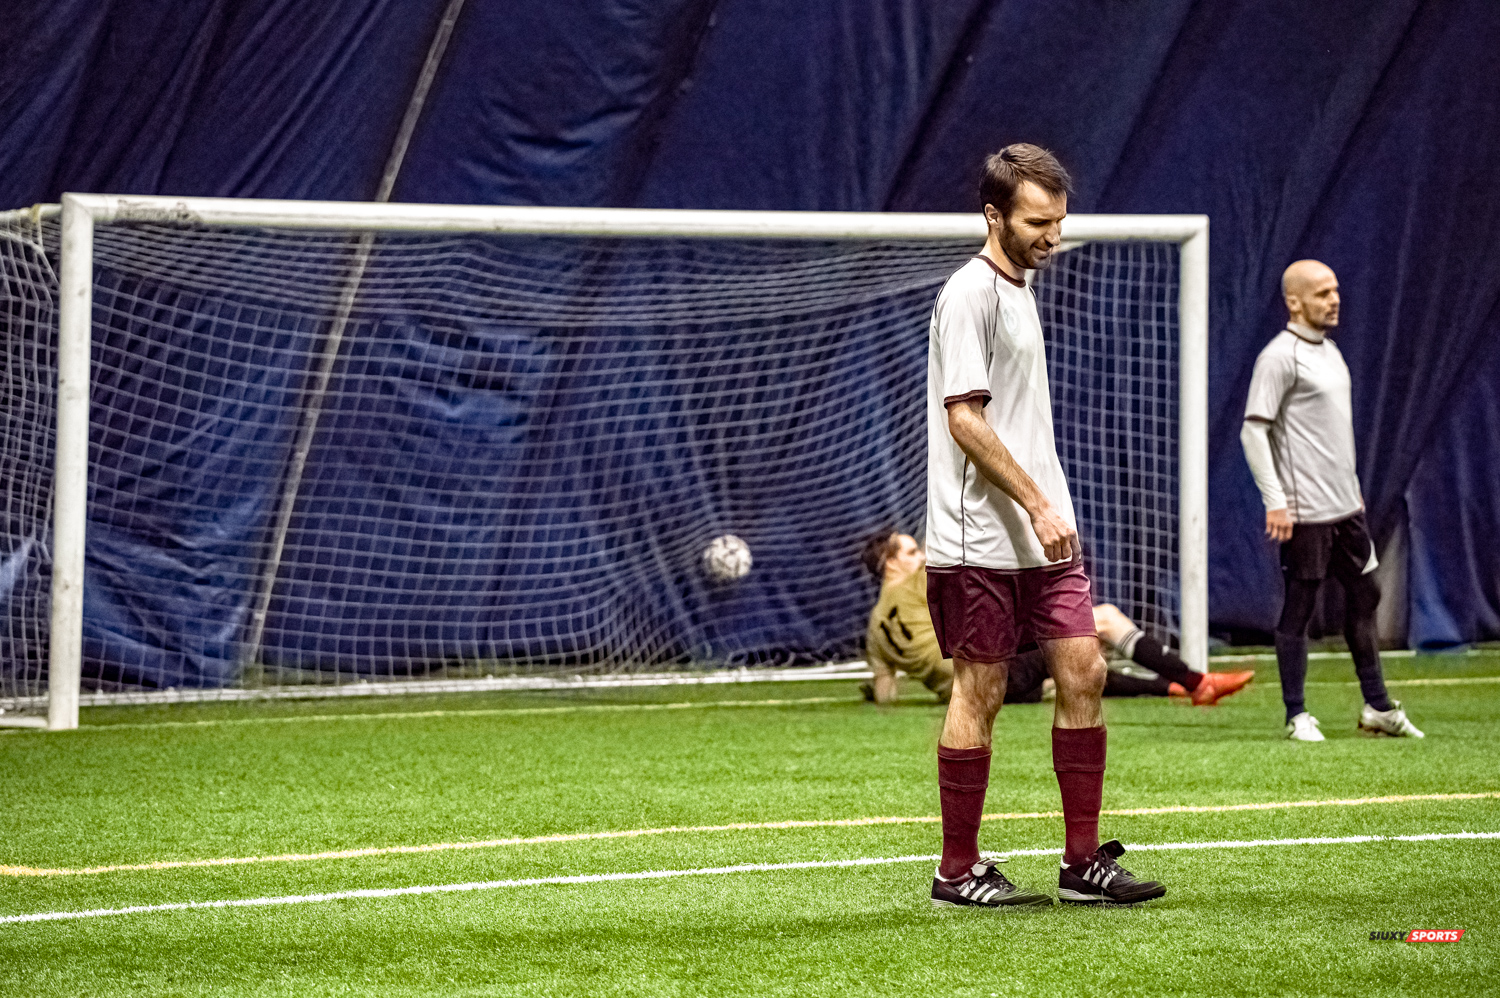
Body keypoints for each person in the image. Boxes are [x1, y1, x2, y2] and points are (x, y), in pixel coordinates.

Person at [922, 144, 1165, 909]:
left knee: (1084, 669)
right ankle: (955, 871)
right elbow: (965, 418)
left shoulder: (1021, 289)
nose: (1052, 235)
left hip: (1041, 537)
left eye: (1059, 220)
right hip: (977, 539)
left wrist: (1047, 509)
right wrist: (1036, 501)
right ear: (994, 215)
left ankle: (1082, 862)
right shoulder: (970, 294)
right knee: (981, 689)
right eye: (1037, 221)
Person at [1241, 260, 1423, 741]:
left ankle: (1378, 707)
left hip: (1347, 509)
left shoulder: (1333, 353)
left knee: (1366, 594)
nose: (1334, 299)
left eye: (1336, 290)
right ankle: (1296, 714)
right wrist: (1275, 501)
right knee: (1300, 607)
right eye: (1322, 292)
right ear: (1295, 301)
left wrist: (1352, 485)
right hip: (1306, 514)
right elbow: (1253, 431)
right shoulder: (1280, 358)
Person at [859, 530, 1254, 705]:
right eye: (911, 552)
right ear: (892, 563)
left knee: (1073, 668)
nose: (921, 556)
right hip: (995, 676)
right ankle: (1197, 680)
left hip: (969, 694)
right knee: (1100, 620)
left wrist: (875, 695)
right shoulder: (918, 581)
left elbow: (885, 691)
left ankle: (1175, 690)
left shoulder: (875, 628)